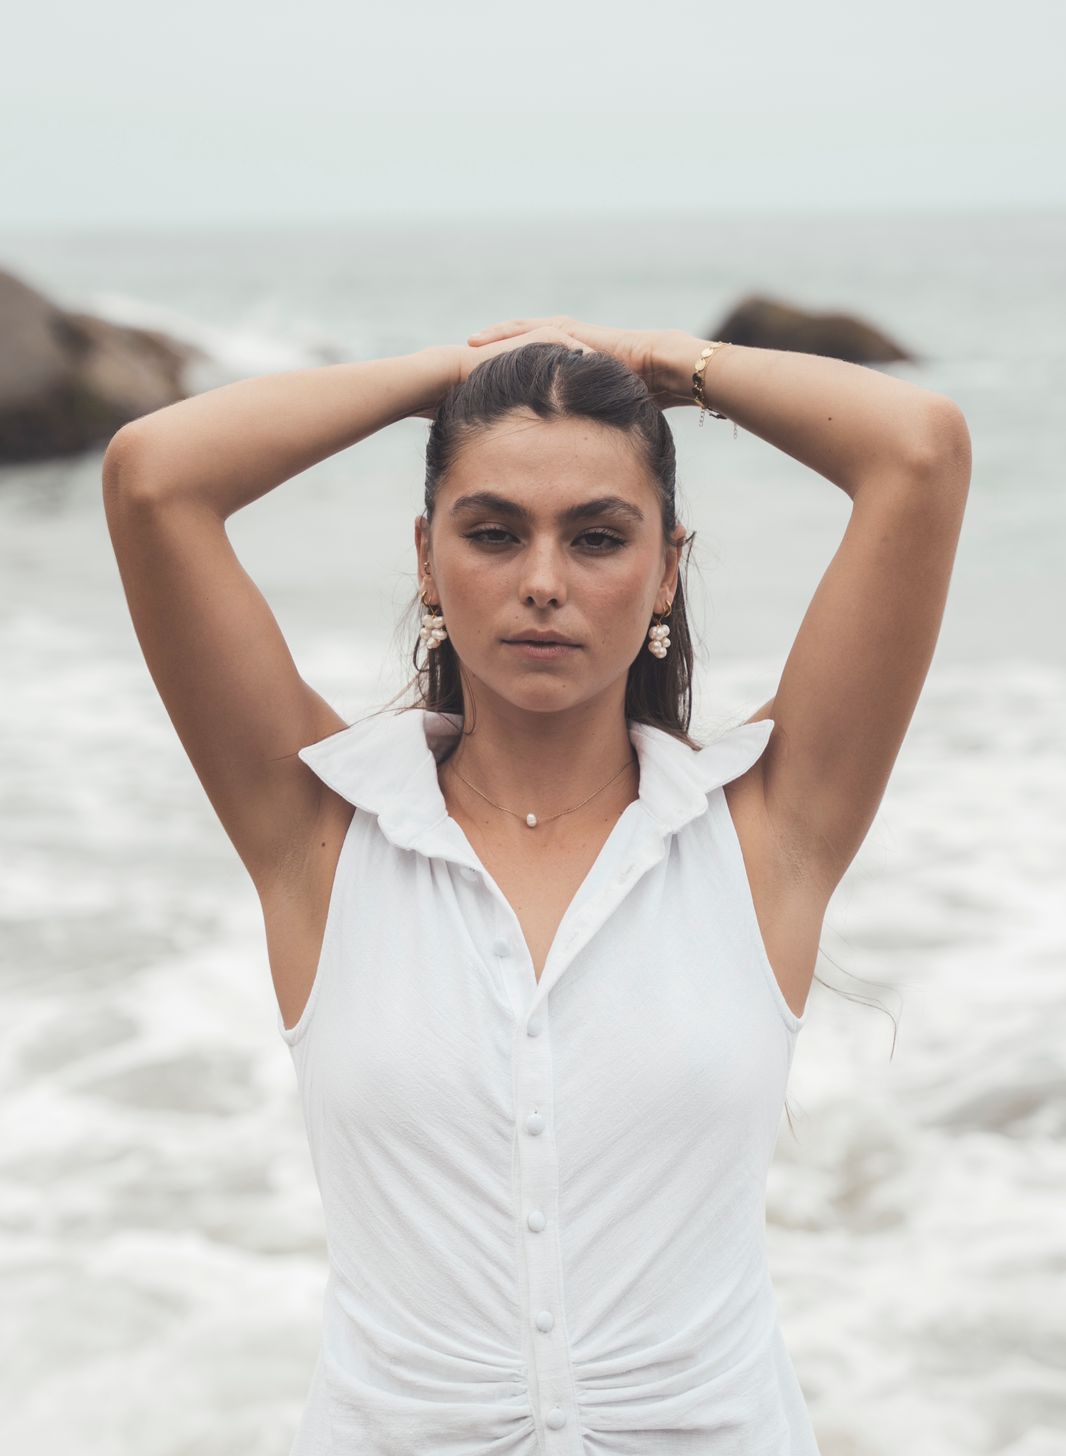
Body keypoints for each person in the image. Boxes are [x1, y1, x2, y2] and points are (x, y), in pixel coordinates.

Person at [101, 314, 972, 1454]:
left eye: (599, 537)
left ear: (667, 570)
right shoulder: (322, 834)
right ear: (426, 559)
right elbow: (153, 476)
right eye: (494, 532)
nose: (544, 582)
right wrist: (445, 380)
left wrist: (660, 365)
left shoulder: (763, 830)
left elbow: (918, 448)